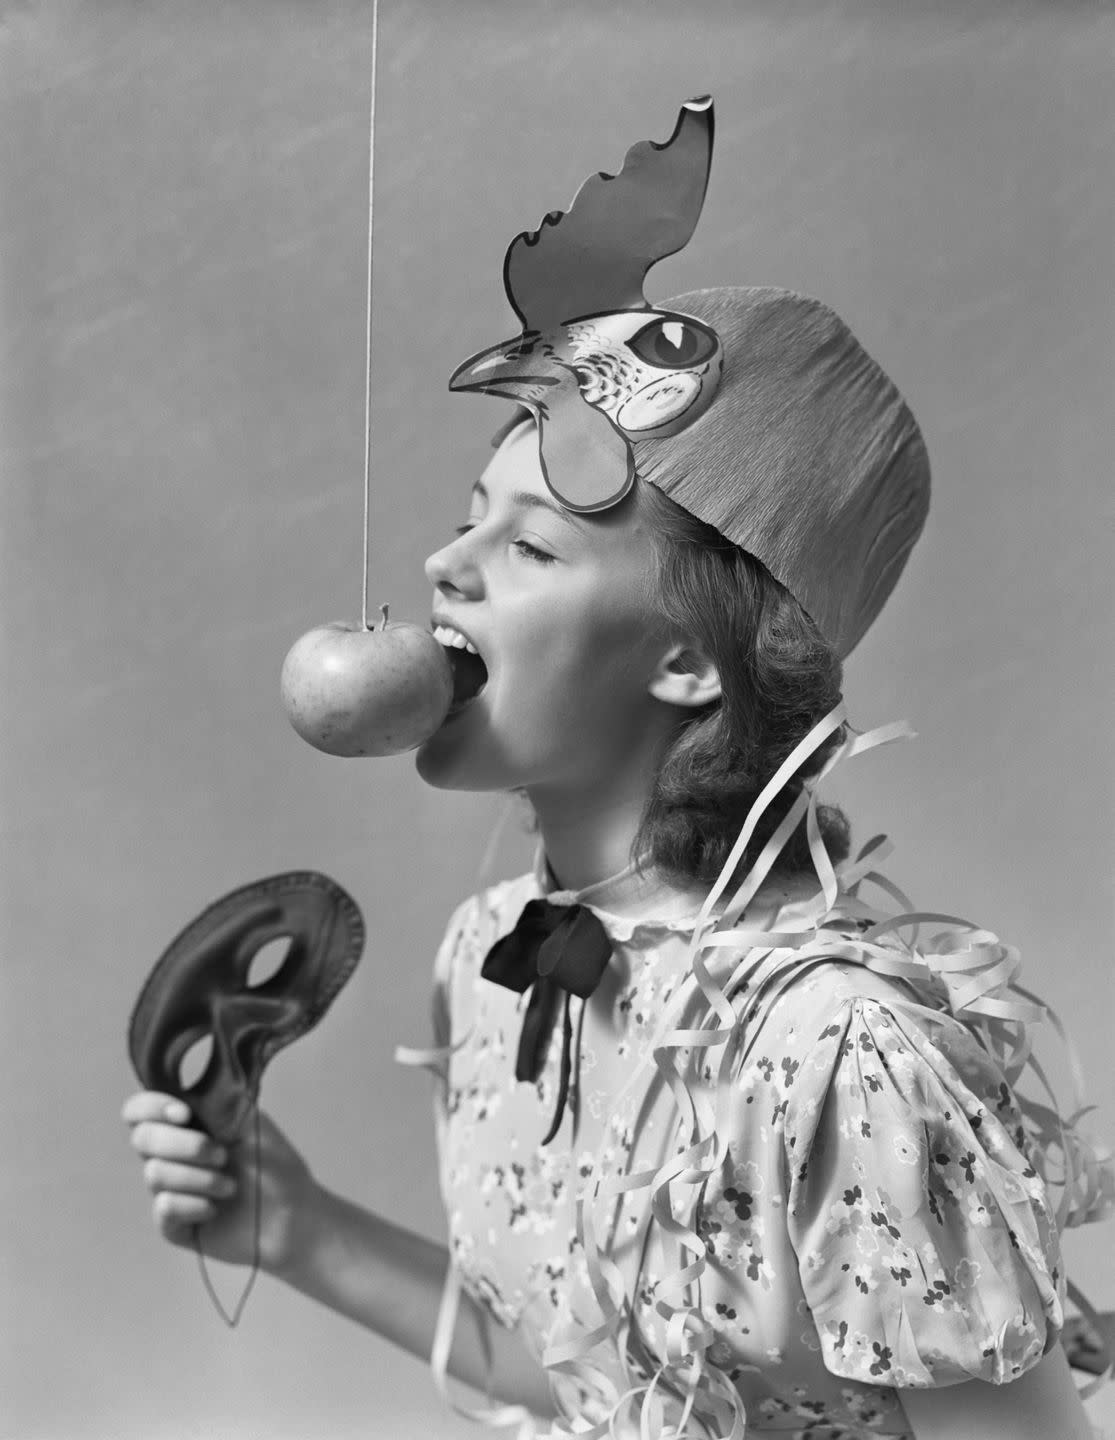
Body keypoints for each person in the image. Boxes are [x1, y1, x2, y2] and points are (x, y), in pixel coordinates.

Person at [122, 101, 1110, 1439]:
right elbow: (605, 1388)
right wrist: (294, 1229)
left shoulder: (842, 1062)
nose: (440, 571)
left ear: (689, 663)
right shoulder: (496, 956)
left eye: (527, 549)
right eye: (467, 523)